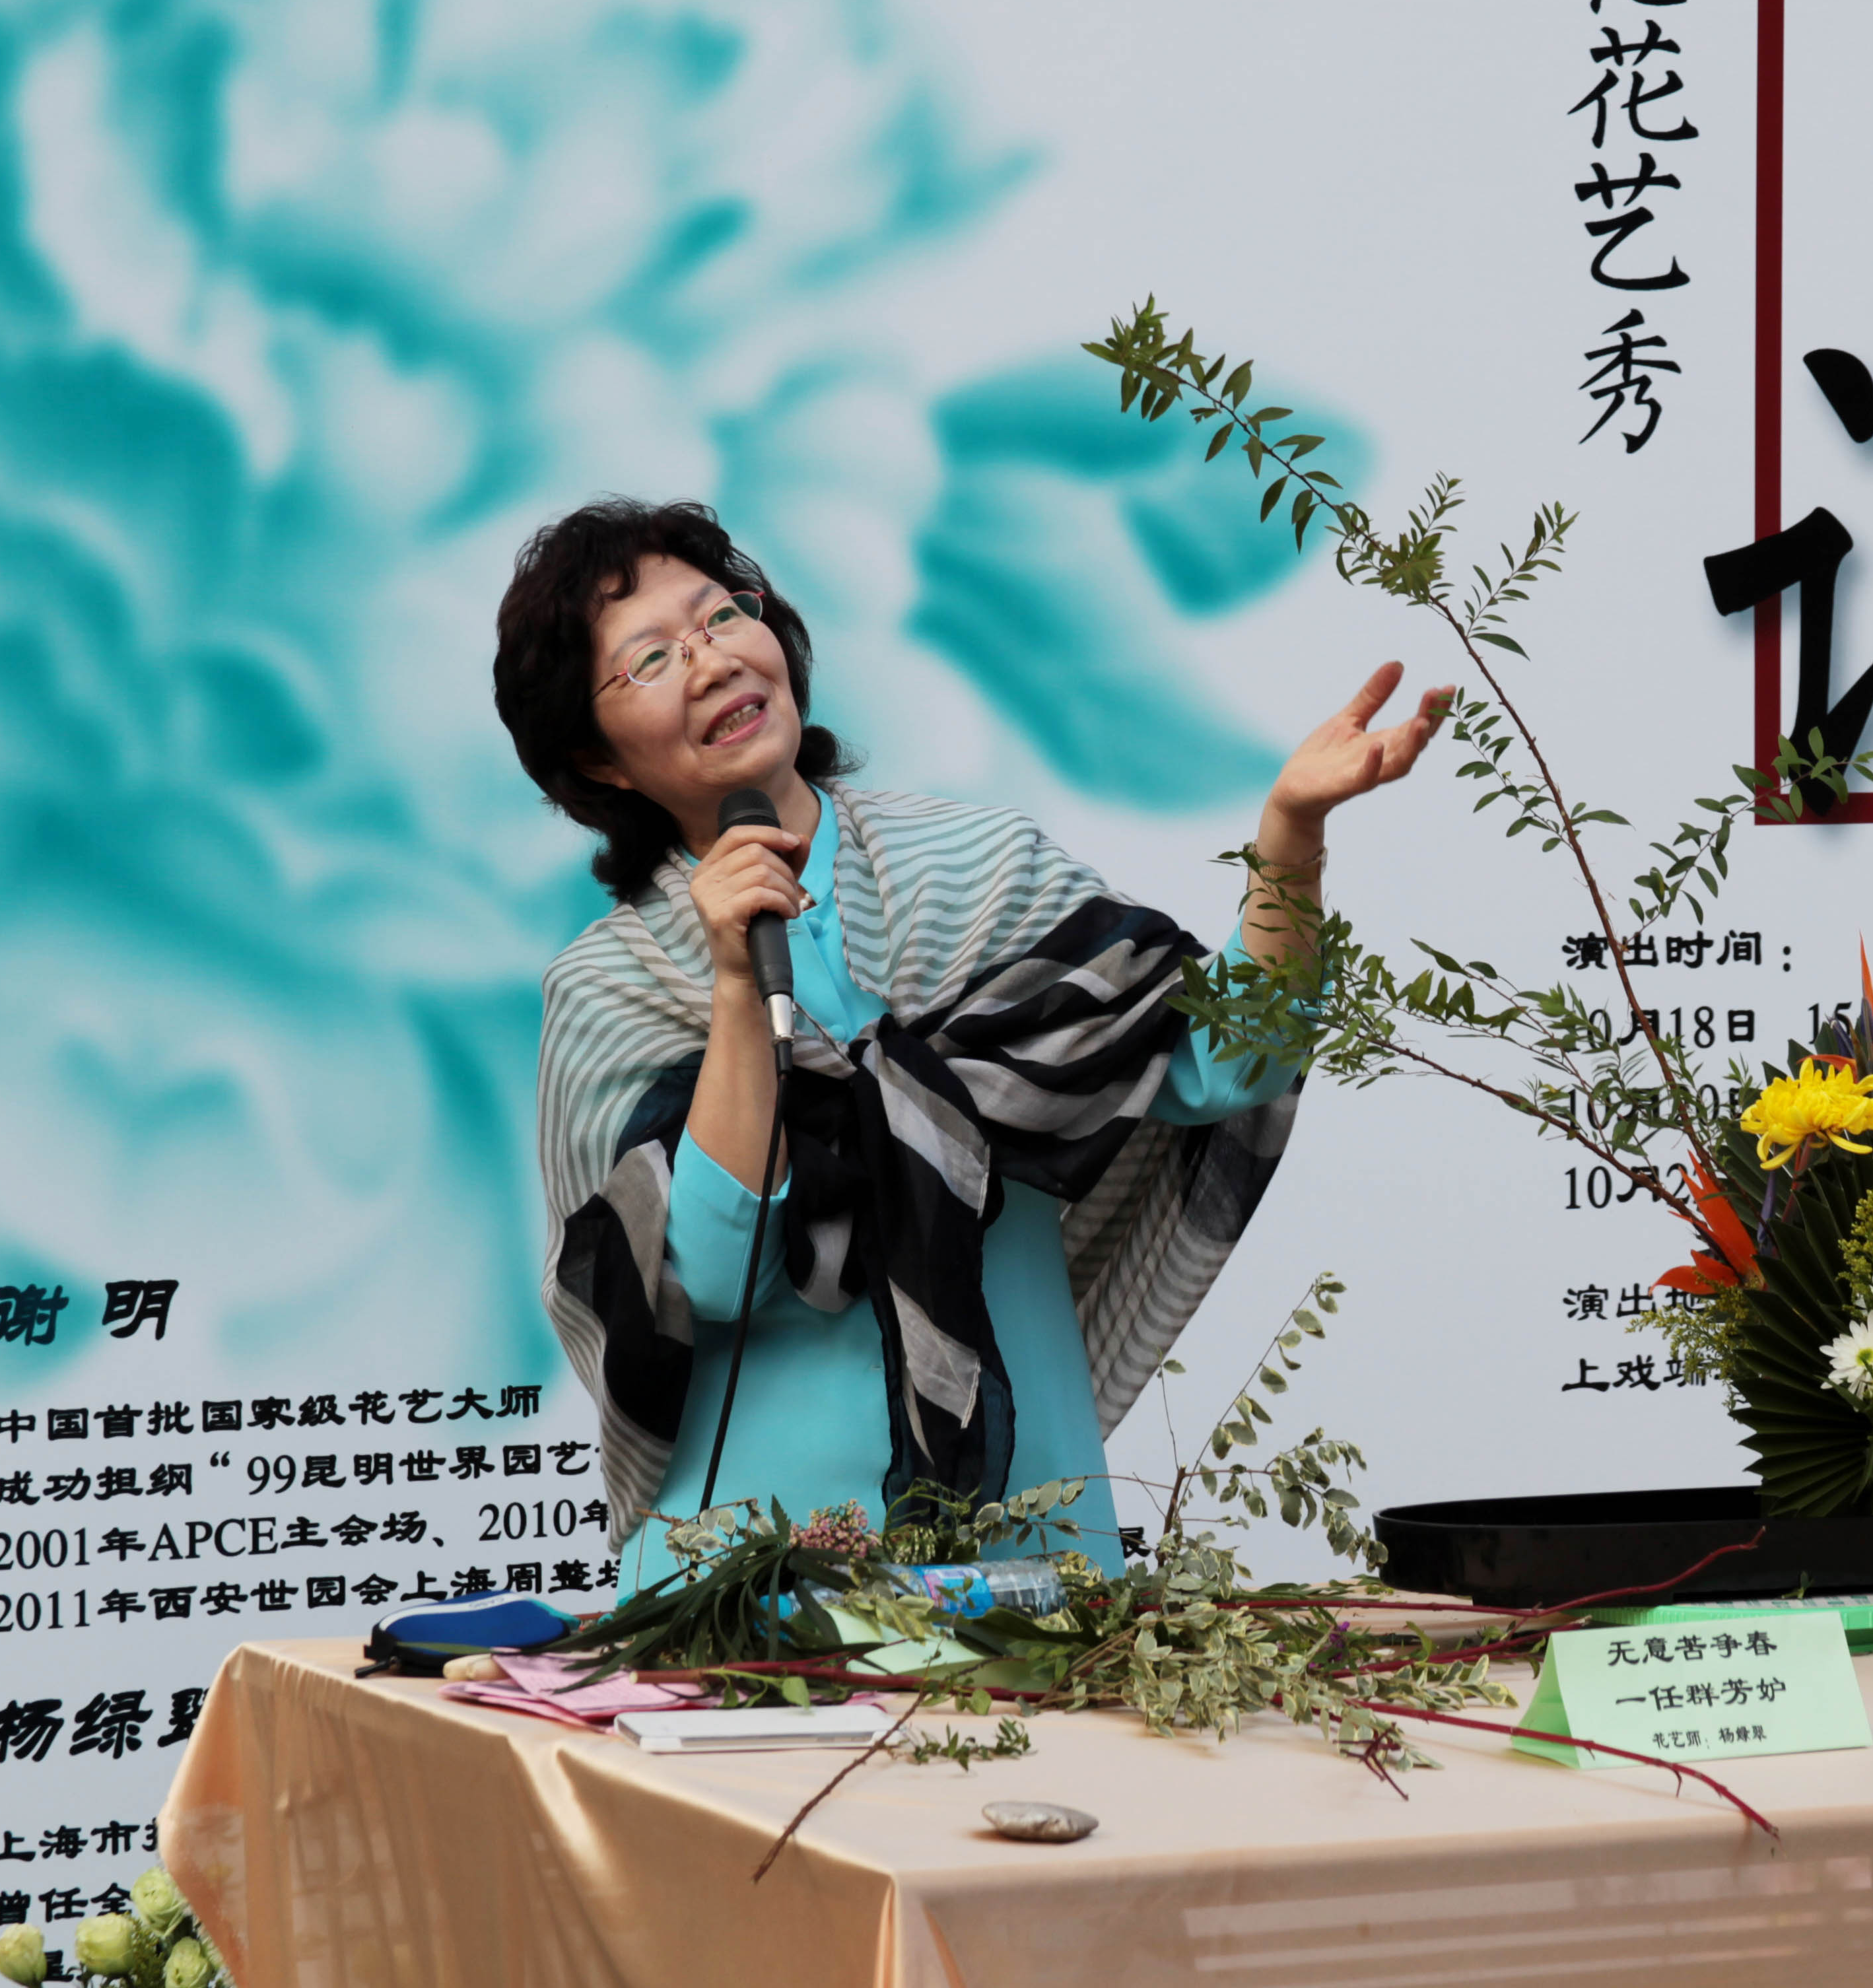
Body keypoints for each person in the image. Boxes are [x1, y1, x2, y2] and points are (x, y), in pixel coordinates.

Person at [501, 498, 1443, 1560]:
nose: (713, 659)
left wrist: (1291, 842)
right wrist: (735, 986)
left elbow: (1230, 1063)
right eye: (651, 658)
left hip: (1026, 1541)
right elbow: (716, 1274)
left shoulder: (983, 869)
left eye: (722, 615)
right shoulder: (610, 986)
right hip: (754, 1571)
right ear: (599, 761)